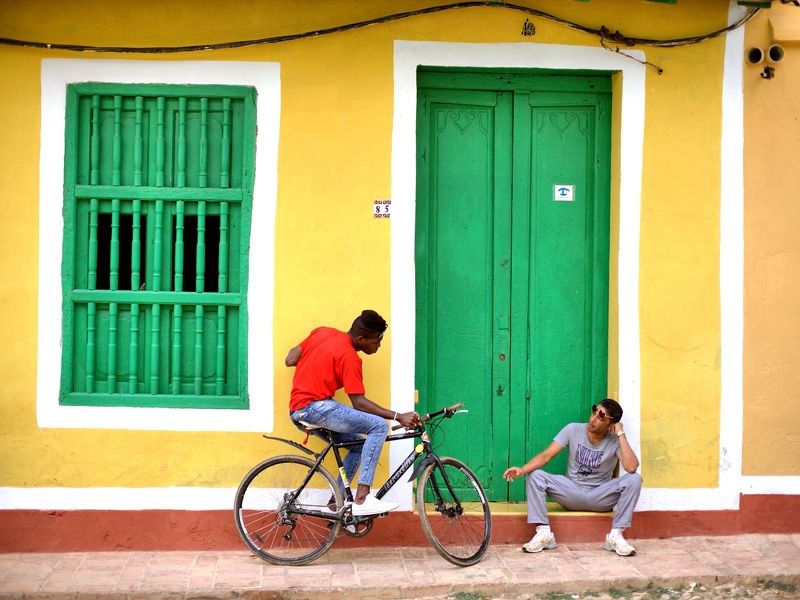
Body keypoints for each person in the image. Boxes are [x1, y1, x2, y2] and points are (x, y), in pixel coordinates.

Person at [286, 309, 419, 516]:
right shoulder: (350, 359)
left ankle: (337, 502)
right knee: (378, 426)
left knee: (357, 446)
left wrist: (315, 362)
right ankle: (362, 498)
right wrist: (398, 416)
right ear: (360, 338)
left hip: (298, 409)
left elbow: (290, 358)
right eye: (376, 341)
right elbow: (359, 403)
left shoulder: (322, 332)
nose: (379, 345)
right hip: (315, 407)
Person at [503, 398, 642, 556]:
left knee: (634, 479)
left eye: (601, 416)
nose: (593, 418)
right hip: (571, 491)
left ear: (610, 424)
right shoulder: (573, 429)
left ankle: (616, 536)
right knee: (534, 475)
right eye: (594, 411)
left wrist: (620, 434)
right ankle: (544, 533)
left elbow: (631, 467)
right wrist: (522, 470)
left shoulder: (616, 440)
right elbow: (546, 455)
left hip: (600, 496)